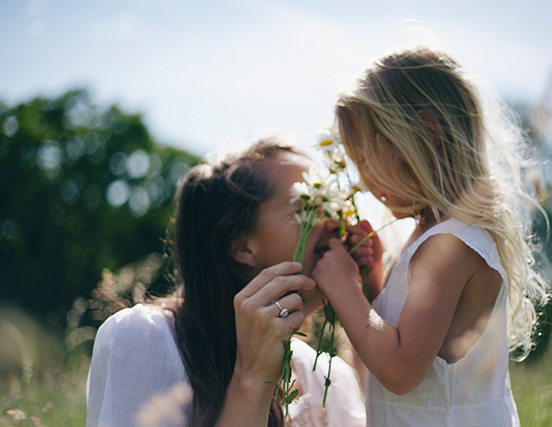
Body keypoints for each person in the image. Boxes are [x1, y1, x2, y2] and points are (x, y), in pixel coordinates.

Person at [311, 46, 550, 426]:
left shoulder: (451, 244)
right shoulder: (434, 232)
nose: (364, 181)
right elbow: (396, 342)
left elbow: (401, 370)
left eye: (368, 161)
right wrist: (372, 278)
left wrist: (343, 289)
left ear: (428, 132)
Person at [86, 140, 366, 427]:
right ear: (242, 245)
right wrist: (252, 379)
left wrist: (375, 297)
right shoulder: (145, 339)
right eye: (307, 208)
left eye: (332, 206)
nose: (333, 223)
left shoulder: (329, 380)